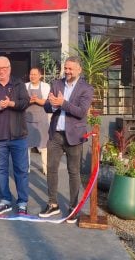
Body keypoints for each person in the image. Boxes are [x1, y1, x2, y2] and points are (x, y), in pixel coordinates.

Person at [39, 56, 94, 222]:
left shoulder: (86, 88)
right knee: (51, 169)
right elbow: (48, 106)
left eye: (71, 68)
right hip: (55, 134)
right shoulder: (57, 84)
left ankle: (73, 207)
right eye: (66, 68)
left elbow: (81, 112)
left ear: (79, 70)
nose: (67, 71)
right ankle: (53, 204)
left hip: (74, 136)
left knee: (73, 172)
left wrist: (62, 103)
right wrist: (53, 104)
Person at [0, 56, 30, 215]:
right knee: (0, 170)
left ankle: (22, 203)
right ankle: (5, 201)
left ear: (9, 68)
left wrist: (11, 104)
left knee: (21, 170)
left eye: (4, 68)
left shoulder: (18, 84)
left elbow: (25, 102)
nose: (1, 71)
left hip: (18, 137)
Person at [25, 67, 50, 175]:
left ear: (40, 76)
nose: (32, 76)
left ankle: (46, 168)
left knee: (44, 146)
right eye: (31, 74)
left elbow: (46, 101)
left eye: (35, 74)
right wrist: (30, 100)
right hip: (28, 119)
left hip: (42, 119)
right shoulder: (25, 86)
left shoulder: (45, 86)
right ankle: (26, 168)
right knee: (26, 145)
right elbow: (23, 101)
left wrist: (36, 100)